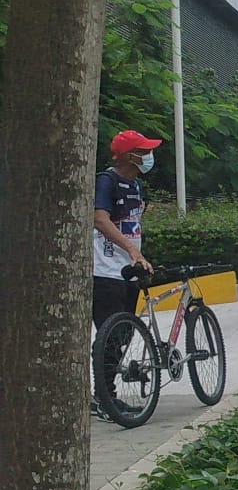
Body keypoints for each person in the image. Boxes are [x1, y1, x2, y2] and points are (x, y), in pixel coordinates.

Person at [93, 130, 158, 412]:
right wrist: (131, 250)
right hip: (106, 272)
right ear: (131, 156)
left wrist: (138, 257)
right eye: (144, 152)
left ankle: (105, 396)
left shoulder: (136, 186)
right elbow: (99, 219)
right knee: (109, 337)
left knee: (123, 335)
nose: (148, 156)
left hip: (129, 271)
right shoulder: (106, 182)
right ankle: (104, 399)